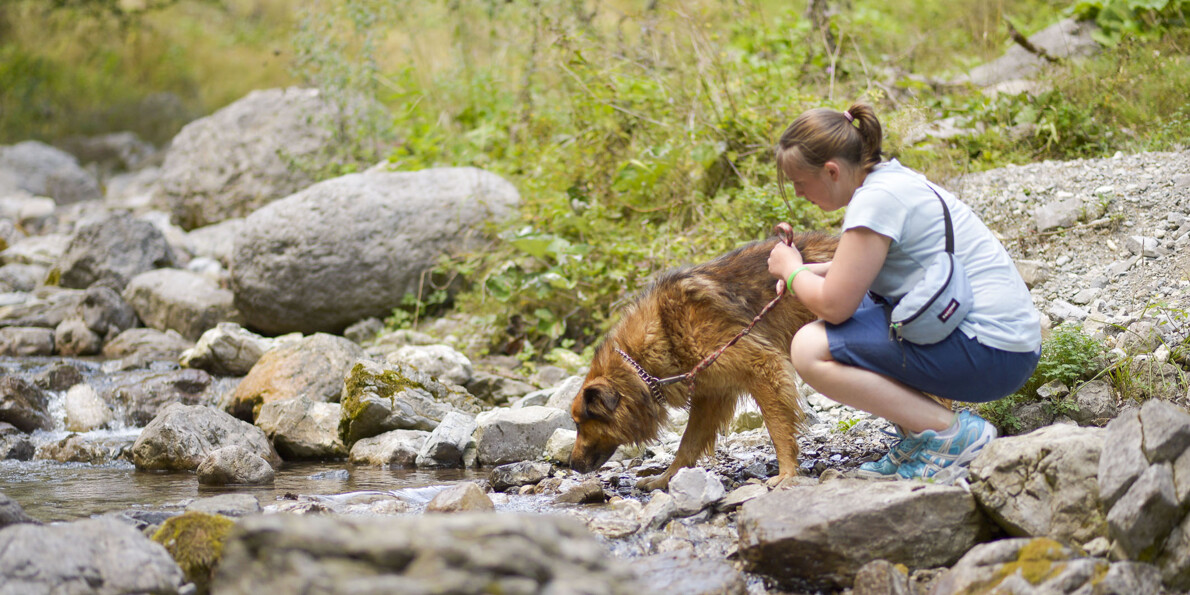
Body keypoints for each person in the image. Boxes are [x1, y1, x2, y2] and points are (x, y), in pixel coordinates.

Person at [766, 103, 1042, 480]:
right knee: (855, 309)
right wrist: (811, 271)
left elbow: (834, 304)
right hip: (1004, 343)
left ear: (831, 171)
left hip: (992, 349)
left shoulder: (876, 201)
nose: (798, 194)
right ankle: (921, 436)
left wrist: (792, 269)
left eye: (799, 183)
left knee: (809, 347)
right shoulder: (890, 181)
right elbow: (875, 264)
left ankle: (953, 435)